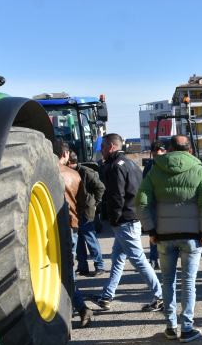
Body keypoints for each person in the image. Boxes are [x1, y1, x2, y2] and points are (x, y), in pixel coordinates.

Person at [136, 135, 202, 343]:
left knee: (167, 281)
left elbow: (141, 202)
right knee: (188, 282)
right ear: (189, 150)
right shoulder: (199, 169)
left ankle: (170, 326)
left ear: (169, 149)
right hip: (192, 237)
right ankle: (187, 327)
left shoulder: (155, 170)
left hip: (164, 236)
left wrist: (151, 230)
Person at [95, 133, 163, 311]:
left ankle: (160, 295)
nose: (101, 151)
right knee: (118, 258)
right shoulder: (131, 164)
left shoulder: (116, 167)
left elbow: (117, 196)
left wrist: (114, 219)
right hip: (130, 217)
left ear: (111, 147)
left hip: (125, 220)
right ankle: (107, 296)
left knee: (138, 259)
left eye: (102, 147)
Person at [57, 143, 93, 327]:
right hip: (72, 225)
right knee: (68, 268)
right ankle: (75, 307)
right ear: (65, 153)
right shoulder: (74, 174)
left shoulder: (45, 172)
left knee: (64, 271)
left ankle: (79, 307)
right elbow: (83, 202)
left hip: (54, 227)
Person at [69, 151, 106, 277]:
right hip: (76, 210)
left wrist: (95, 203)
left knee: (90, 238)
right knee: (79, 240)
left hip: (86, 210)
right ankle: (82, 267)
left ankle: (99, 266)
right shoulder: (72, 172)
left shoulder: (86, 172)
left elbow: (100, 187)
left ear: (70, 162)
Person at [143, 140, 167, 269]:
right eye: (156, 154)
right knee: (154, 233)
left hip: (167, 204)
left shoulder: (170, 165)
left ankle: (167, 258)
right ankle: (153, 258)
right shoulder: (149, 166)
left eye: (160, 153)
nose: (158, 157)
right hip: (154, 204)